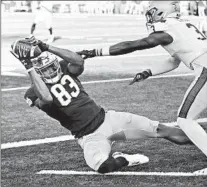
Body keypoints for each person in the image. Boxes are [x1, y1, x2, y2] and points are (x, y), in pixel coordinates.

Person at [11, 36, 195, 174]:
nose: (52, 70)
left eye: (52, 66)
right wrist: (28, 66)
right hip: (88, 136)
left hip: (109, 119)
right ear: (36, 72)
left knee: (166, 130)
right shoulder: (33, 92)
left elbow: (78, 61)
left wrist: (46, 46)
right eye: (45, 69)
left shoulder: (65, 67)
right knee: (103, 167)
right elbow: (47, 98)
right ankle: (124, 159)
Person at [77, 1, 207, 166]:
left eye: (152, 13)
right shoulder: (181, 26)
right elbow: (174, 61)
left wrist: (95, 52)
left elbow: (135, 45)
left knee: (184, 119)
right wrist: (148, 72)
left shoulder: (168, 30)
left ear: (161, 12)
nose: (149, 17)